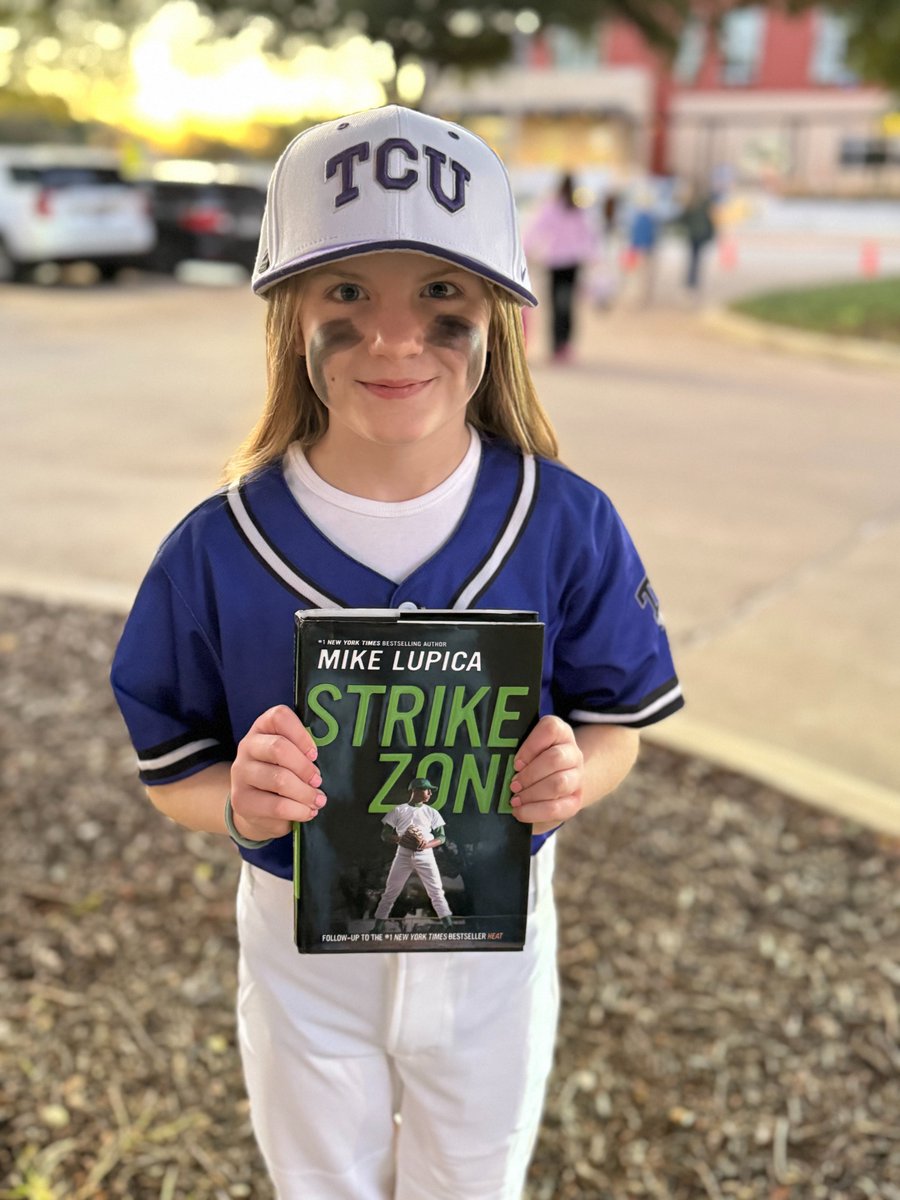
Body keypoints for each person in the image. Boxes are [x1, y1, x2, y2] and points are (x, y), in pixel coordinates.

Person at [110, 104, 684, 1200]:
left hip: (497, 950)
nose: (393, 336)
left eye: (439, 293)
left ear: (501, 315)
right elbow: (172, 762)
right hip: (299, 943)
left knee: (474, 1178)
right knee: (319, 1179)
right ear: (288, 311)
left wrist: (577, 771)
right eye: (347, 292)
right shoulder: (217, 547)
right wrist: (237, 798)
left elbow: (617, 724)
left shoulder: (564, 521)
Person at [523, 172, 600, 362]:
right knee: (567, 306)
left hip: (555, 263)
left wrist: (525, 250)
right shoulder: (577, 209)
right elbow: (589, 235)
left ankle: (557, 346)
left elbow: (535, 228)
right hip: (572, 263)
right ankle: (565, 345)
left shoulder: (552, 207)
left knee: (556, 305)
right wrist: (592, 256)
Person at [373, 776, 452, 931]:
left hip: (425, 854)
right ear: (415, 790)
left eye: (430, 790)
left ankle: (448, 925)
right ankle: (377, 927)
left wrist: (427, 843)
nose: (430, 793)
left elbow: (441, 837)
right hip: (403, 854)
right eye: (426, 789)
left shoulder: (432, 812)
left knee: (436, 891)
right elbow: (385, 834)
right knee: (390, 892)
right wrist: (399, 839)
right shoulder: (399, 809)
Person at [679, 181, 717, 293]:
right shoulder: (705, 202)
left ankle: (691, 281)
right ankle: (693, 281)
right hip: (701, 234)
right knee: (697, 258)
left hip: (693, 234)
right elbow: (711, 219)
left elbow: (683, 219)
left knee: (693, 257)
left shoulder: (691, 202)